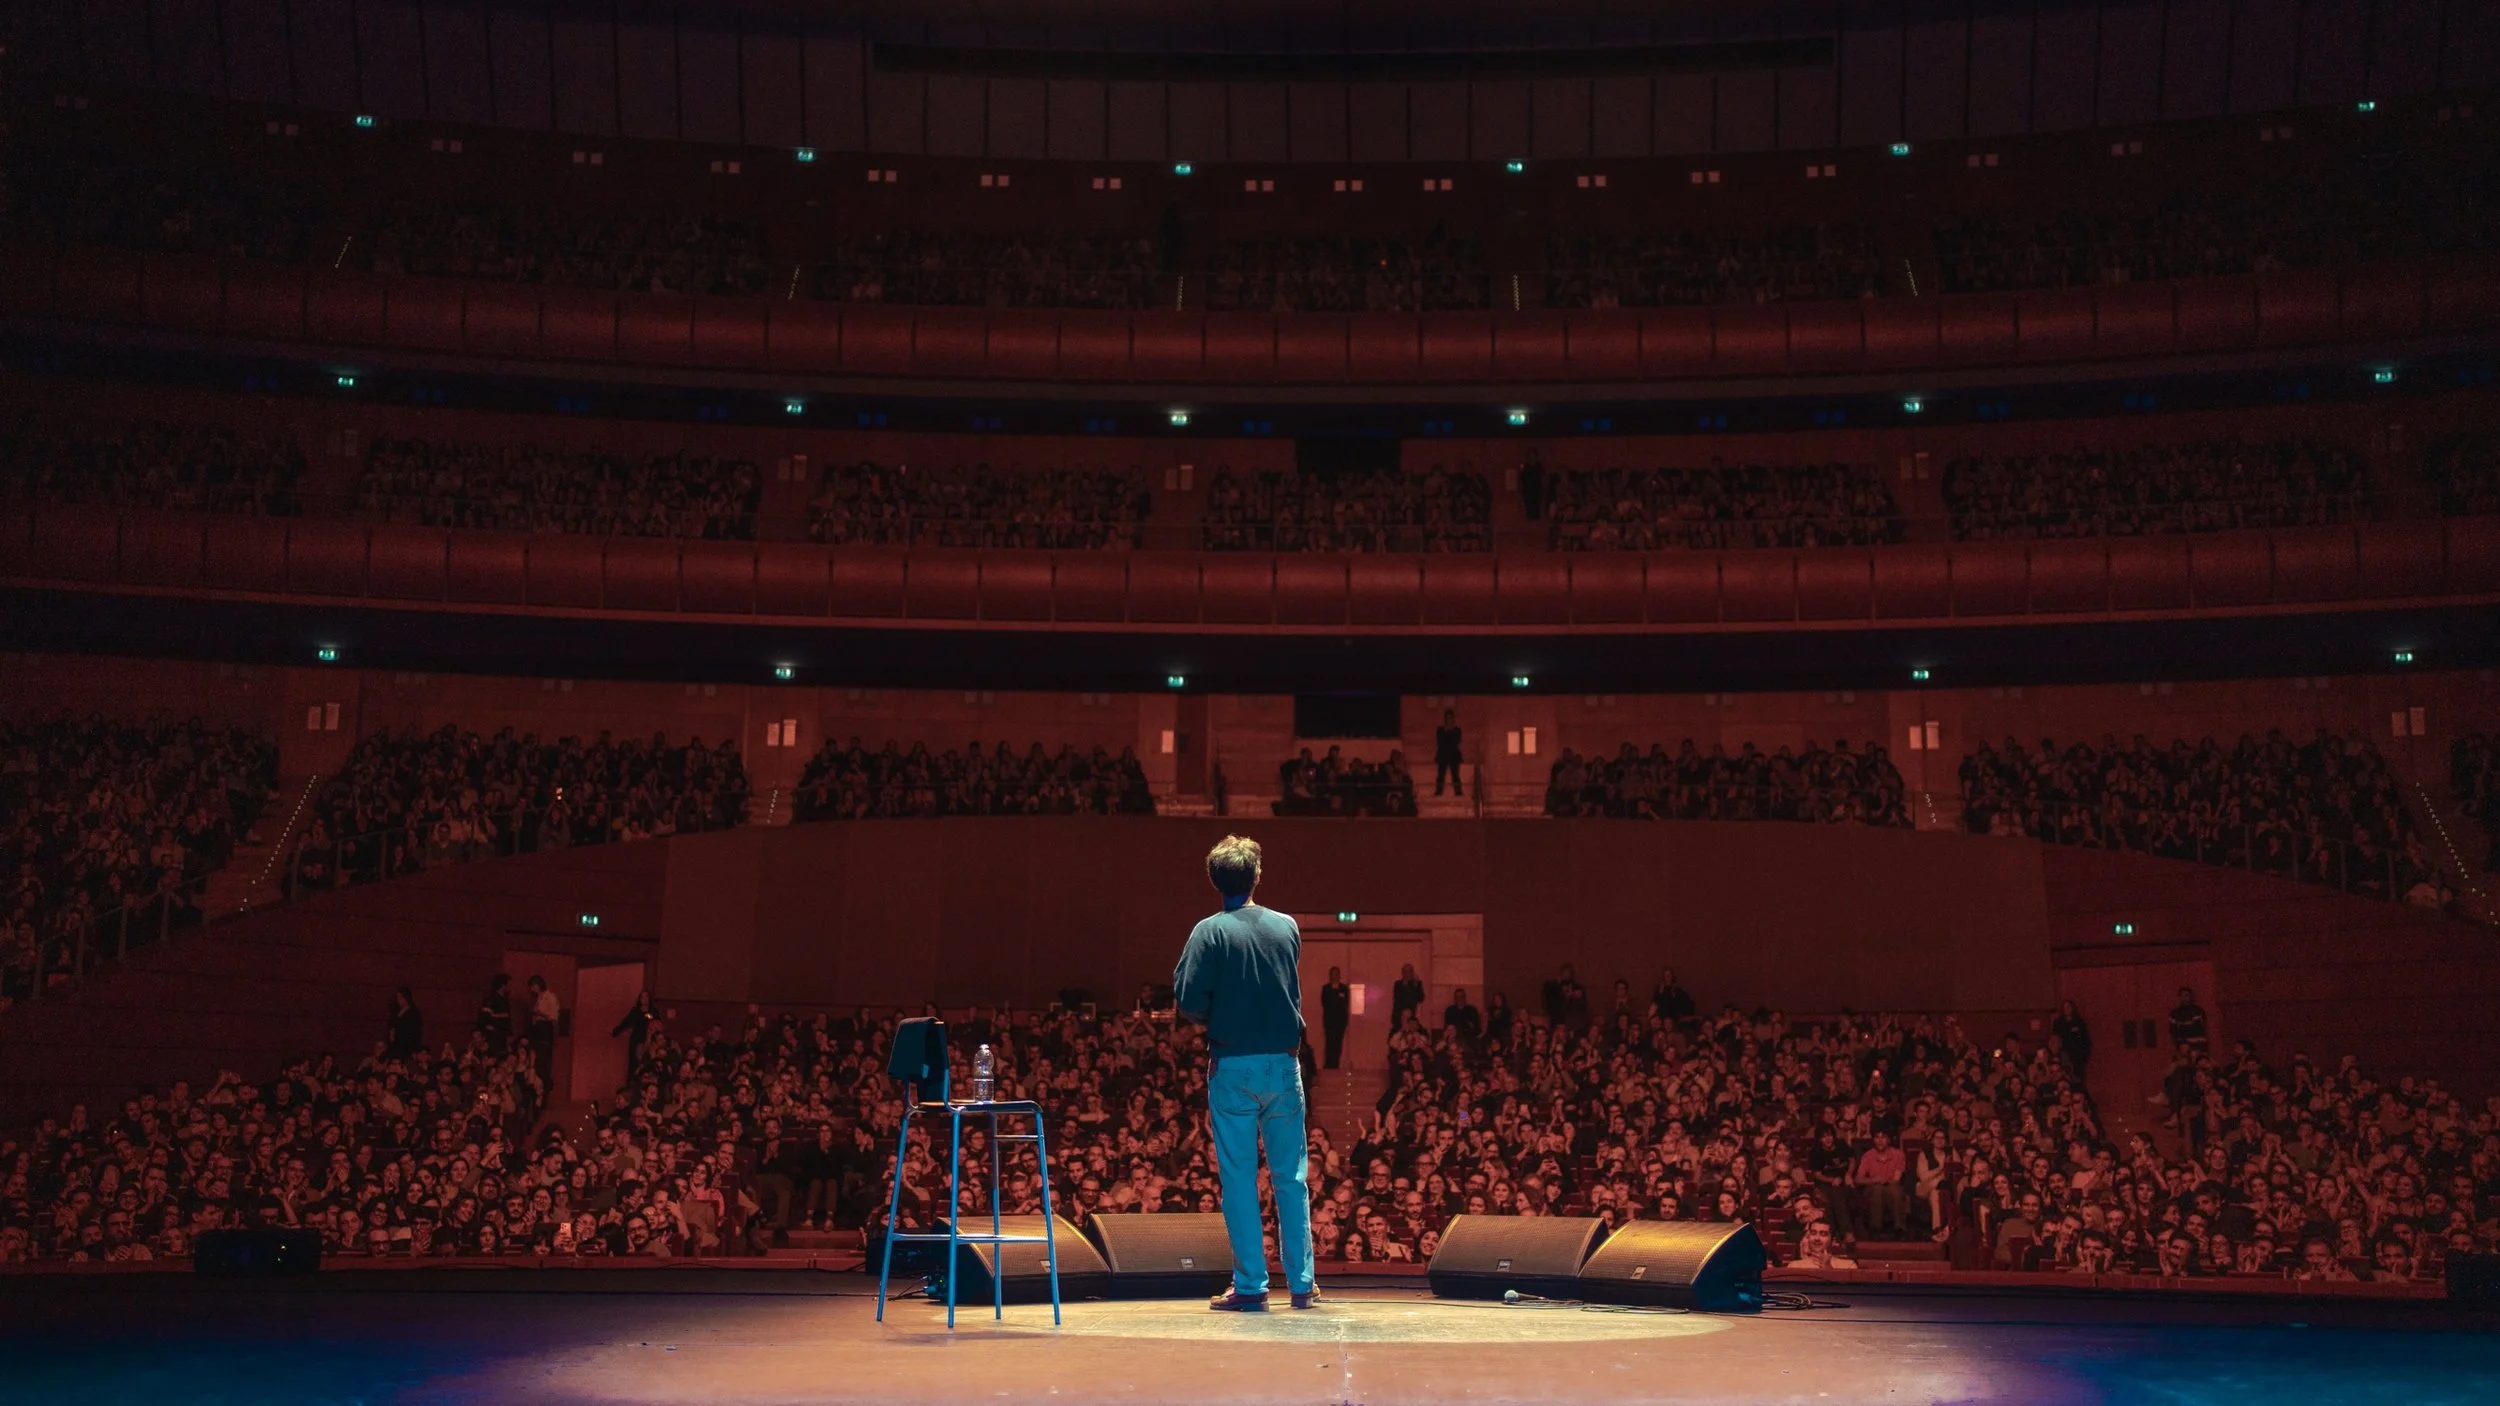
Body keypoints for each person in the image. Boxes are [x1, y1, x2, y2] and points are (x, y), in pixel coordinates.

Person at [1173, 834, 1319, 1311]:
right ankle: (1302, 1283)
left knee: (1238, 1179)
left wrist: (1216, 1015)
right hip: (1282, 1066)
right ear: (1256, 877)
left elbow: (1190, 1001)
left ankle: (1251, 1286)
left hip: (1232, 1066)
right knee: (1290, 1178)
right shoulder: (1287, 927)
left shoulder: (1208, 931)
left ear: (1215, 881)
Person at [611, 990, 655, 1079]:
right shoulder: (635, 1011)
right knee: (634, 1062)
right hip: (636, 1039)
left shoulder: (653, 1012)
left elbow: (657, 1024)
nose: (644, 999)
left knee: (647, 1062)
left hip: (649, 1039)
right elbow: (626, 1022)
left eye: (646, 996)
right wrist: (616, 1031)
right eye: (642, 997)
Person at [526, 975, 562, 1086]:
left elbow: (554, 1016)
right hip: (537, 1027)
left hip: (545, 1027)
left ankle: (544, 1080)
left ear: (538, 984)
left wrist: (539, 1013)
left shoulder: (550, 997)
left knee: (543, 1056)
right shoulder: (538, 997)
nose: (532, 989)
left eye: (533, 986)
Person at [1319, 966, 1351, 1070]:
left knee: (1338, 1043)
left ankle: (1335, 1064)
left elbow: (1345, 1004)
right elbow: (1325, 1003)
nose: (1335, 976)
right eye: (1333, 974)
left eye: (1337, 974)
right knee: (1329, 1042)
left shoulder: (1344, 988)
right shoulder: (1326, 989)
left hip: (1340, 1021)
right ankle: (1329, 1064)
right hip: (1329, 1020)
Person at [473, 974, 512, 1056]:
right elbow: (485, 1016)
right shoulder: (492, 999)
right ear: (502, 985)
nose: (510, 986)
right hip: (494, 1035)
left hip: (501, 1035)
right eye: (508, 984)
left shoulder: (504, 1000)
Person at [2051, 999, 2092, 1076]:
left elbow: (2086, 1039)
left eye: (2069, 1007)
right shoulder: (2058, 1023)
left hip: (2077, 1055)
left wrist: (2084, 1055)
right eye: (2065, 1007)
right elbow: (2054, 1038)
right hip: (2062, 1053)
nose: (2067, 1009)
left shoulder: (2079, 1022)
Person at [384, 986, 424, 1061]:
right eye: (397, 997)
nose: (398, 1000)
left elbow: (415, 1033)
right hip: (395, 1046)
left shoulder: (413, 1014)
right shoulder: (396, 1012)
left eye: (400, 997)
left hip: (406, 1047)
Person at [1433, 709, 1465, 797]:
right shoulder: (1440, 730)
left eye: (1450, 718)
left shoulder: (1457, 730)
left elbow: (1456, 741)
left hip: (1454, 755)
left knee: (1455, 775)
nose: (1449, 720)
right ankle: (1439, 792)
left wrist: (1449, 733)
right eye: (1447, 718)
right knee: (1440, 775)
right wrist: (1447, 732)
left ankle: (1458, 792)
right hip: (1443, 755)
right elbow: (1440, 741)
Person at [2170, 987, 2210, 1053]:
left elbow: (2197, 1028)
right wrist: (2188, 1024)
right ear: (2179, 997)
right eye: (2182, 995)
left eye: (2186, 995)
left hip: (2197, 1044)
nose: (2184, 998)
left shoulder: (2197, 1011)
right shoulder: (2175, 1013)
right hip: (2181, 1046)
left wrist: (2181, 1026)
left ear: (2190, 996)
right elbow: (2173, 1030)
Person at [1389, 963, 1425, 1036]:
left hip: (1412, 1017)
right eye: (1405, 972)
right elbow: (1398, 999)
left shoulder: (1417, 984)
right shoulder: (1398, 984)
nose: (1407, 974)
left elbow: (1421, 999)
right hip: (1398, 1016)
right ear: (1402, 973)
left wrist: (1416, 986)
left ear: (1412, 973)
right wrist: (1404, 987)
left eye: (1409, 971)